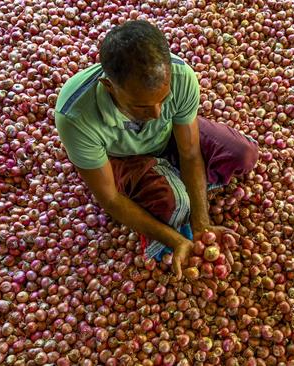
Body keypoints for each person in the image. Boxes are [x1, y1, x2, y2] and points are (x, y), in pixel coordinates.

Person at [54, 20, 258, 280]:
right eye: (141, 107)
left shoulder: (181, 77)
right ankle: (164, 190)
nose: (156, 113)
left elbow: (190, 152)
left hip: (170, 138)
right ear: (109, 87)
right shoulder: (75, 116)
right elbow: (110, 199)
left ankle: (169, 182)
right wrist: (175, 240)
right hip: (123, 157)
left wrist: (201, 224)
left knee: (243, 155)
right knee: (172, 204)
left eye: (163, 99)